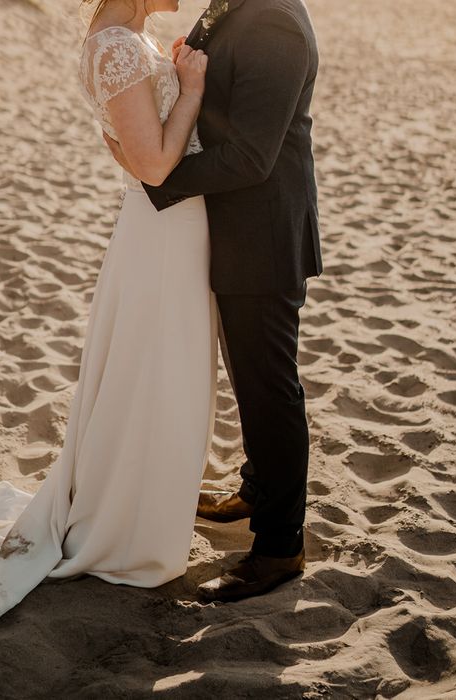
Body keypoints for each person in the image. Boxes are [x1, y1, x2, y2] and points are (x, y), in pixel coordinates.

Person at [0, 0, 217, 620]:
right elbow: (154, 165)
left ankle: (139, 508)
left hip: (168, 227)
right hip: (164, 231)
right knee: (156, 373)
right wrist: (191, 89)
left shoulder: (129, 40)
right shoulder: (115, 45)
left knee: (162, 373)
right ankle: (129, 529)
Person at [105, 0, 322, 602]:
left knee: (269, 385)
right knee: (247, 374)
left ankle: (279, 547)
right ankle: (257, 489)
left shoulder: (274, 22)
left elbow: (253, 156)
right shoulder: (234, 7)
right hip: (233, 229)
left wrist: (159, 178)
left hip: (264, 234)